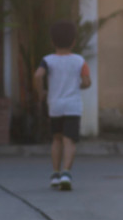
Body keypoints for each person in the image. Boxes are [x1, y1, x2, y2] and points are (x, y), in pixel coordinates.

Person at [34, 20, 91, 191]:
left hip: (55, 106)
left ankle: (55, 174)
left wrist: (41, 92)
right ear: (73, 41)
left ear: (52, 42)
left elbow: (38, 76)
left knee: (57, 139)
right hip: (73, 106)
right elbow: (87, 82)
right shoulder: (80, 61)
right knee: (69, 140)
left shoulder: (47, 60)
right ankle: (67, 173)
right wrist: (79, 85)